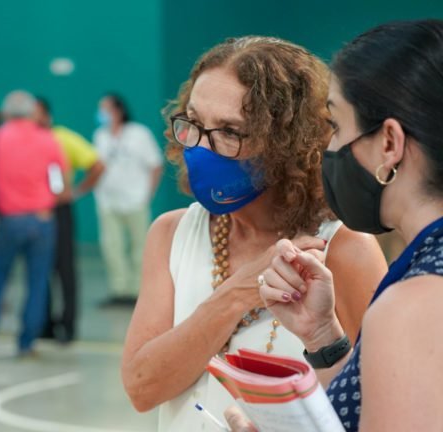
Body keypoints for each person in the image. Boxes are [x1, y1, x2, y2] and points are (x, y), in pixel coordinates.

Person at [120, 36, 387, 432]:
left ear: (288, 143)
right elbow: (142, 388)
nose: (201, 148)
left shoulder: (344, 249)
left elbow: (383, 408)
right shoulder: (172, 233)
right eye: (193, 122)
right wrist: (238, 292)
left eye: (230, 131)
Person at [244, 20, 443, 432]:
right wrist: (322, 336)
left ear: (389, 142)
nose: (328, 149)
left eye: (335, 126)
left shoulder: (416, 304)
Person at [0, 90, 68, 357]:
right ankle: (26, 344)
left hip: (9, 219)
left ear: (6, 112)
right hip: (41, 218)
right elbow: (60, 177)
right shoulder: (47, 138)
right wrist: (50, 198)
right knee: (37, 283)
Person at [34, 97, 105, 343]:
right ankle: (43, 323)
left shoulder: (61, 138)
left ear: (46, 115)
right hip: (34, 210)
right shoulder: (26, 141)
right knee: (39, 268)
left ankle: (68, 324)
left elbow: (96, 164)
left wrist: (76, 191)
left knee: (64, 269)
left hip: (59, 209)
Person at [94, 93, 163, 306]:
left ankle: (138, 292)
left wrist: (147, 194)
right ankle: (119, 290)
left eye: (105, 109)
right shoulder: (100, 135)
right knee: (111, 246)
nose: (101, 114)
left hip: (135, 200)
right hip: (108, 201)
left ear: (118, 110)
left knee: (140, 246)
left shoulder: (138, 134)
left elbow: (156, 164)